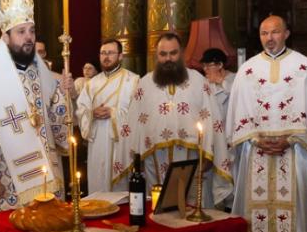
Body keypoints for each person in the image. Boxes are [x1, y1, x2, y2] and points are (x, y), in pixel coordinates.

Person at [225, 15, 307, 232]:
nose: (269, 38)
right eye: (264, 33)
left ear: (286, 33)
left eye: (274, 32)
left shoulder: (305, 67)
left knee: (295, 199)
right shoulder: (247, 70)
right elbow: (237, 111)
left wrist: (291, 139)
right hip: (255, 149)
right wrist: (255, 139)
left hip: (295, 150)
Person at [0, 0, 73, 213]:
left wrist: (64, 94)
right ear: (5, 37)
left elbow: (56, 121)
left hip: (46, 170)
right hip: (7, 175)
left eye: (31, 31)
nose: (28, 37)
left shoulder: (42, 74)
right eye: (21, 32)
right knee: (9, 228)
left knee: (48, 224)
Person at [115, 33, 230, 207]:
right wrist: (135, 158)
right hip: (154, 159)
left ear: (181, 53)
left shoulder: (198, 81)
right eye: (163, 54)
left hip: (192, 159)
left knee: (192, 209)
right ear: (157, 56)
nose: (168, 58)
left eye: (173, 53)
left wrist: (209, 154)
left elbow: (212, 119)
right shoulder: (145, 84)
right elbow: (133, 124)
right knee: (157, 210)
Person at [76, 39, 139, 194]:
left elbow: (138, 114)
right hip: (97, 142)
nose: (106, 57)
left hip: (121, 144)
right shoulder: (91, 84)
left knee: (120, 190)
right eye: (103, 53)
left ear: (120, 56)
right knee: (98, 185)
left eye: (110, 53)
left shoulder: (133, 80)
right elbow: (80, 110)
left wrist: (113, 112)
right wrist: (91, 113)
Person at [200, 47, 235, 120]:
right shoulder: (204, 81)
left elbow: (237, 94)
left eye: (208, 65)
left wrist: (220, 80)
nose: (205, 69)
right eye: (203, 65)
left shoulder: (234, 78)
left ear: (220, 65)